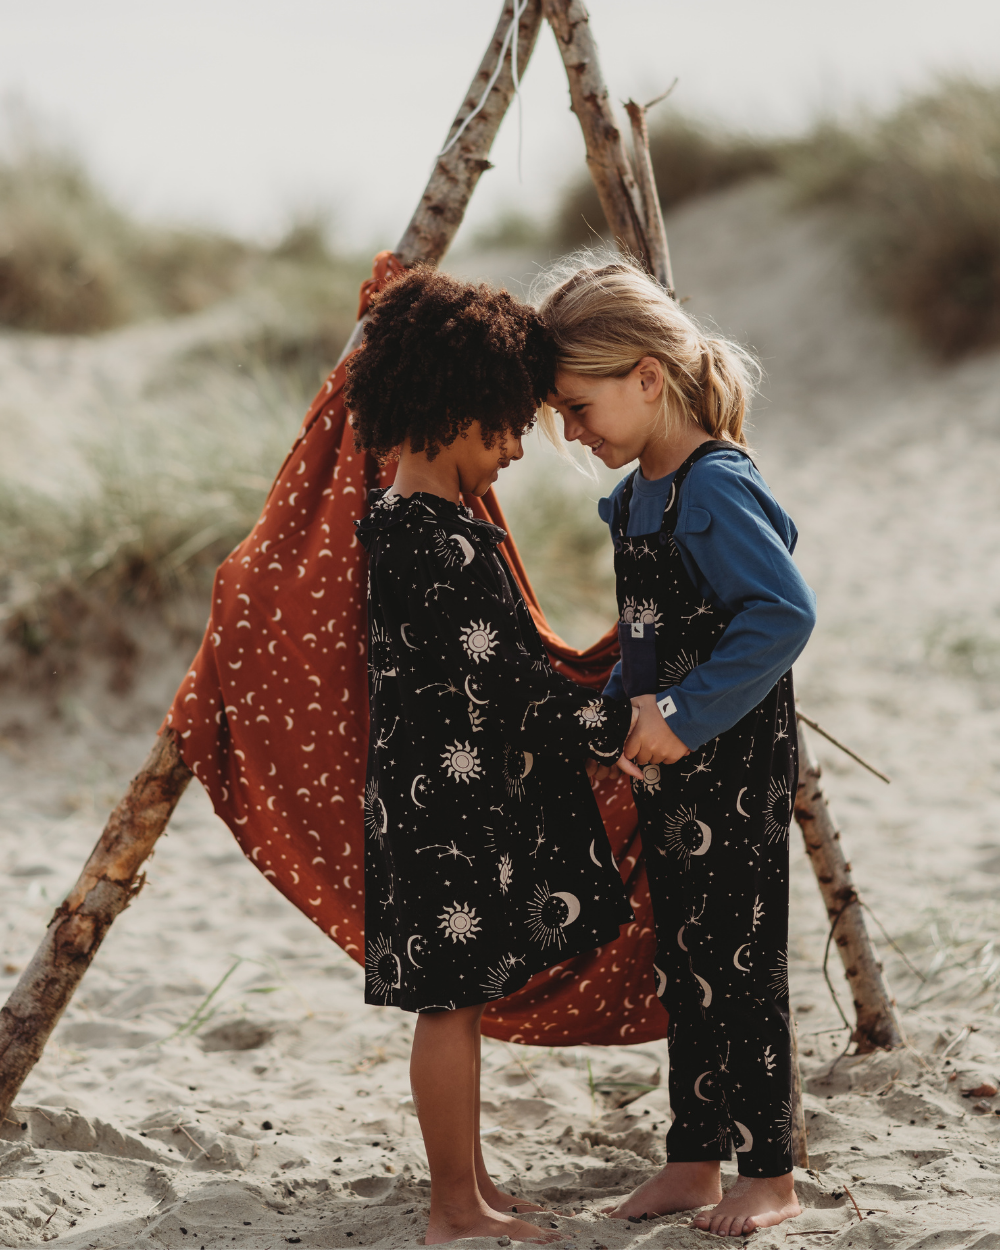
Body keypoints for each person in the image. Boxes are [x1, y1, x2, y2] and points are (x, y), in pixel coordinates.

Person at [347, 267, 641, 1247]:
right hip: (443, 819)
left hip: (438, 804)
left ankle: (470, 1185)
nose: (516, 450)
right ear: (449, 410)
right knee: (449, 1008)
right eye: (505, 427)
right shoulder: (432, 541)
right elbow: (508, 685)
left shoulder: (410, 522)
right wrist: (614, 728)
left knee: (458, 1005)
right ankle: (452, 1208)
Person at [538, 260, 817, 1238]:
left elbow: (781, 613)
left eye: (578, 406)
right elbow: (642, 632)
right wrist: (622, 715)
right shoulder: (635, 500)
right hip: (668, 766)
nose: (571, 432)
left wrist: (688, 712)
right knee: (685, 956)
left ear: (646, 376)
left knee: (741, 960)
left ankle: (770, 1170)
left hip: (732, 760)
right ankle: (694, 1157)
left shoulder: (715, 485)